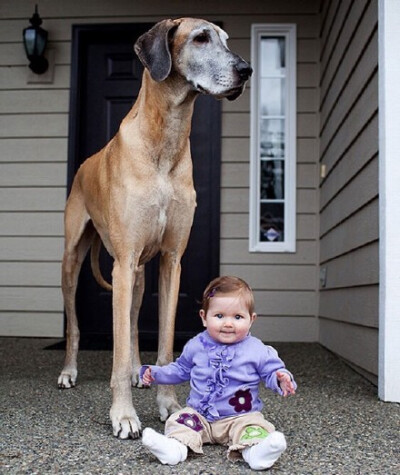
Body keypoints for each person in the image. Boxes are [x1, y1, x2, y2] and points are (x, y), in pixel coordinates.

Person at [140, 276, 296, 471]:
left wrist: (281, 378)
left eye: (237, 317)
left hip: (240, 416)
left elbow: (271, 370)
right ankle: (174, 448)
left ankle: (257, 453)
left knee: (254, 427)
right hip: (201, 416)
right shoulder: (196, 345)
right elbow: (180, 370)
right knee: (180, 420)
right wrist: (155, 374)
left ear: (251, 319)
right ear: (204, 317)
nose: (228, 323)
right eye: (219, 316)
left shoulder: (257, 349)